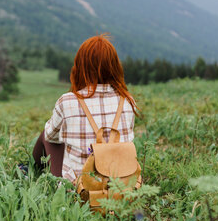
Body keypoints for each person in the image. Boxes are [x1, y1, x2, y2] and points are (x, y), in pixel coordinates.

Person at [32, 34, 140, 183]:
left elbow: (52, 137)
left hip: (81, 188)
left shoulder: (68, 101)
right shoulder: (128, 100)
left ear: (80, 66)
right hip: (121, 185)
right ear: (115, 67)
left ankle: (33, 169)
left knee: (47, 133)